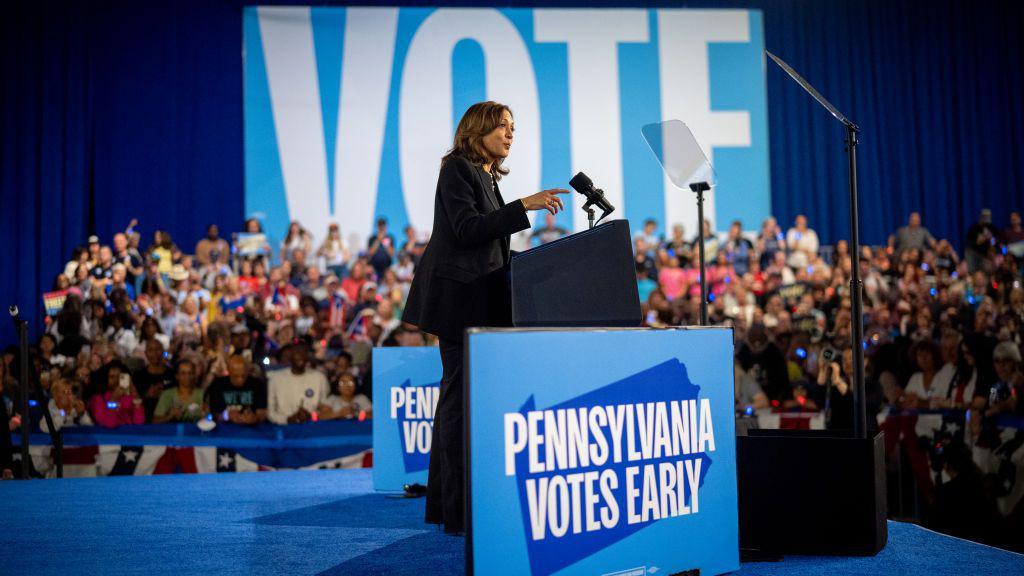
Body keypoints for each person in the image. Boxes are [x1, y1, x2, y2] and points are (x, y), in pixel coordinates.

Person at [401, 101, 568, 534]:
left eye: (514, 128)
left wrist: (541, 263)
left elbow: (489, 247)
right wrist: (524, 206)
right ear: (479, 129)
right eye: (503, 127)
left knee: (464, 402)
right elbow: (466, 230)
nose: (511, 134)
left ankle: (448, 507)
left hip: (478, 302)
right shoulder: (458, 168)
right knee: (458, 405)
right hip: (459, 304)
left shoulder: (487, 175)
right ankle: (455, 512)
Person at [266, 342, 330, 425]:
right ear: (290, 356)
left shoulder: (320, 378)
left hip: (313, 428)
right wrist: (288, 419)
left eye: (304, 353)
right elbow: (270, 413)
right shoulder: (275, 379)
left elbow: (326, 408)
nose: (301, 356)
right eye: (297, 353)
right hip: (284, 430)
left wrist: (311, 416)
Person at [205, 355, 267, 425]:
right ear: (229, 372)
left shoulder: (257, 384)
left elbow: (262, 412)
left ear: (247, 372)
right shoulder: (218, 384)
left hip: (252, 430)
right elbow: (214, 414)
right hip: (224, 429)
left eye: (243, 376)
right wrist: (227, 416)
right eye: (235, 376)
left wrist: (254, 418)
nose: (240, 380)